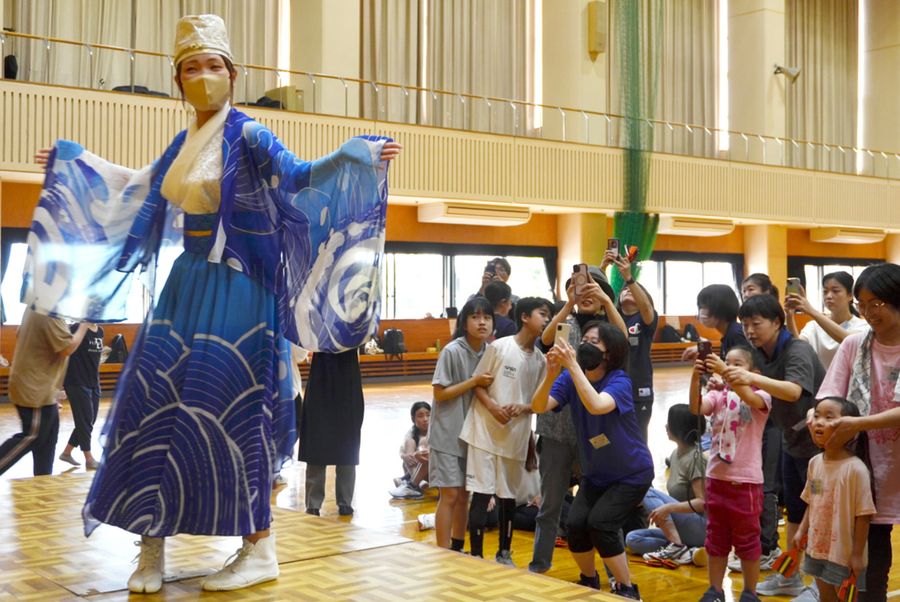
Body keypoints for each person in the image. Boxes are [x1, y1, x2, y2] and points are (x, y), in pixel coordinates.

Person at [27, 14, 401, 594]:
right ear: (178, 80)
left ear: (232, 73)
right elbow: (139, 188)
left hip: (240, 290)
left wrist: (355, 156)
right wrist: (73, 163)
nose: (203, 77)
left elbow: (300, 176)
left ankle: (260, 547)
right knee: (150, 409)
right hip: (188, 285)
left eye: (213, 66)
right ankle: (150, 545)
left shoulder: (248, 134)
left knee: (229, 414)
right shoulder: (184, 141)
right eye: (191, 69)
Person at [531, 320, 653, 600]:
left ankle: (626, 588)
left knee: (601, 523)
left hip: (631, 473)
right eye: (583, 339)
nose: (585, 344)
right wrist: (551, 374)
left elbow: (597, 406)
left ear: (609, 353)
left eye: (594, 341)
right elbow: (539, 406)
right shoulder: (569, 378)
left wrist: (572, 366)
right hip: (596, 474)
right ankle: (589, 580)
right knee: (575, 525)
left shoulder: (619, 380)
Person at [727, 294, 826, 598]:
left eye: (756, 323)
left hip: (820, 445)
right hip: (792, 440)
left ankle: (823, 587)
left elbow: (794, 391)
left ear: (777, 322)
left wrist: (745, 375)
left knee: (821, 514)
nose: (750, 330)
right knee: (794, 513)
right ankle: (789, 576)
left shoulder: (796, 349)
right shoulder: (760, 353)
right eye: (745, 324)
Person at [814, 263, 900, 602]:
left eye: (875, 304)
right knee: (871, 558)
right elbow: (829, 395)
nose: (867, 313)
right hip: (866, 467)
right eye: (861, 305)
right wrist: (818, 417)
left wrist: (856, 424)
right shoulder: (854, 345)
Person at [529, 268, 616, 574]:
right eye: (578, 289)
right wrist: (568, 305)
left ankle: (613, 574)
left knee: (601, 506)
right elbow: (545, 338)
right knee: (550, 504)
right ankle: (539, 566)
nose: (585, 294)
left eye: (593, 289)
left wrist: (605, 300)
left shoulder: (606, 329)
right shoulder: (565, 320)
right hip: (556, 428)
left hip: (594, 428)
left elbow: (622, 342)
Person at [461, 296, 552, 565]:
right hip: (484, 433)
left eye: (550, 315)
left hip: (516, 437)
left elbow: (538, 403)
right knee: (481, 494)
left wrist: (522, 408)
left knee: (507, 499)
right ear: (524, 317)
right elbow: (477, 384)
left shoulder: (541, 361)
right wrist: (493, 407)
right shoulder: (499, 347)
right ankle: (476, 555)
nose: (547, 320)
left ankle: (505, 553)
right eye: (543, 314)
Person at [691, 346, 772, 602]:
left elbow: (750, 397)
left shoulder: (762, 395)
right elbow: (696, 407)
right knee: (716, 538)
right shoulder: (718, 395)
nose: (729, 368)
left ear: (754, 372)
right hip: (716, 479)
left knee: (748, 541)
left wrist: (725, 373)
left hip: (746, 482)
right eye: (727, 363)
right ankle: (715, 590)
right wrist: (696, 377)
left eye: (738, 365)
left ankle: (749, 592)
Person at [429, 297, 494, 552]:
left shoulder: (490, 352)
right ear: (464, 322)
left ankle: (457, 547)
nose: (482, 323)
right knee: (451, 495)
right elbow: (439, 393)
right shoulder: (452, 351)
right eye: (476, 317)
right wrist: (474, 381)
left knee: (464, 496)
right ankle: (443, 551)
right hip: (447, 434)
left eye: (487, 318)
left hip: (474, 435)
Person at [796, 397, 875, 602]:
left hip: (843, 554)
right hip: (817, 548)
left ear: (850, 428)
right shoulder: (815, 463)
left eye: (829, 417)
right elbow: (812, 501)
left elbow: (863, 516)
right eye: (817, 415)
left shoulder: (855, 469)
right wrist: (802, 530)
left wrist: (857, 555)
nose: (819, 422)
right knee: (825, 597)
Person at [0, 309, 89, 476]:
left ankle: (42, 482)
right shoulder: (49, 310)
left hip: (41, 388)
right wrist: (84, 325)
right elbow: (67, 348)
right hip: (34, 389)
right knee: (33, 436)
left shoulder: (37, 304)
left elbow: (21, 332)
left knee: (47, 440)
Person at [625, 404, 707, 566]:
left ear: (680, 428)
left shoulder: (695, 458)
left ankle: (677, 545)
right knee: (632, 539)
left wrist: (668, 509)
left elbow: (702, 503)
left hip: (702, 527)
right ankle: (688, 552)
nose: (666, 426)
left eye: (669, 422)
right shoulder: (675, 455)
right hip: (685, 527)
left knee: (646, 490)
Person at [299, 349, 365, 517]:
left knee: (348, 447)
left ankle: (345, 502)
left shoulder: (352, 327)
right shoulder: (320, 326)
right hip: (321, 382)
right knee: (316, 444)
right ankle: (313, 504)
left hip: (347, 384)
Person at [606, 251, 658, 441]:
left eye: (633, 290)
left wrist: (629, 278)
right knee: (614, 435)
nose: (627, 290)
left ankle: (641, 471)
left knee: (637, 436)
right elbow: (599, 300)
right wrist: (603, 267)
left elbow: (647, 308)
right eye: (624, 290)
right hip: (612, 386)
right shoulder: (612, 318)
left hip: (639, 387)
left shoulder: (645, 318)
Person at [785, 271, 868, 370]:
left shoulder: (863, 326)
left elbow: (848, 340)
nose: (828, 296)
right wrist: (789, 316)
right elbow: (798, 348)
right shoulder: (813, 326)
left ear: (850, 295)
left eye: (835, 291)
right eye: (825, 291)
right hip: (820, 384)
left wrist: (811, 310)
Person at [58, 322, 105, 470]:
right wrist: (59, 385)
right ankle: (89, 458)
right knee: (84, 420)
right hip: (76, 381)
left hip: (93, 381)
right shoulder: (75, 328)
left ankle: (66, 452)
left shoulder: (100, 331)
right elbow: (65, 352)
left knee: (89, 420)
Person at [682, 284, 748, 362]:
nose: (701, 312)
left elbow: (740, 370)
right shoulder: (729, 334)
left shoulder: (736, 334)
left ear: (721, 307)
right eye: (700, 307)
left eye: (704, 306)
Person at [389, 401, 431, 499]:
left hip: (433, 470)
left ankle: (410, 483)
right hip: (417, 469)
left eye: (428, 415)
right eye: (420, 416)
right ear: (413, 419)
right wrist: (406, 456)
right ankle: (413, 482)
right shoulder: (411, 434)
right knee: (409, 443)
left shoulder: (436, 431)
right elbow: (401, 451)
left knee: (423, 445)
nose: (425, 419)